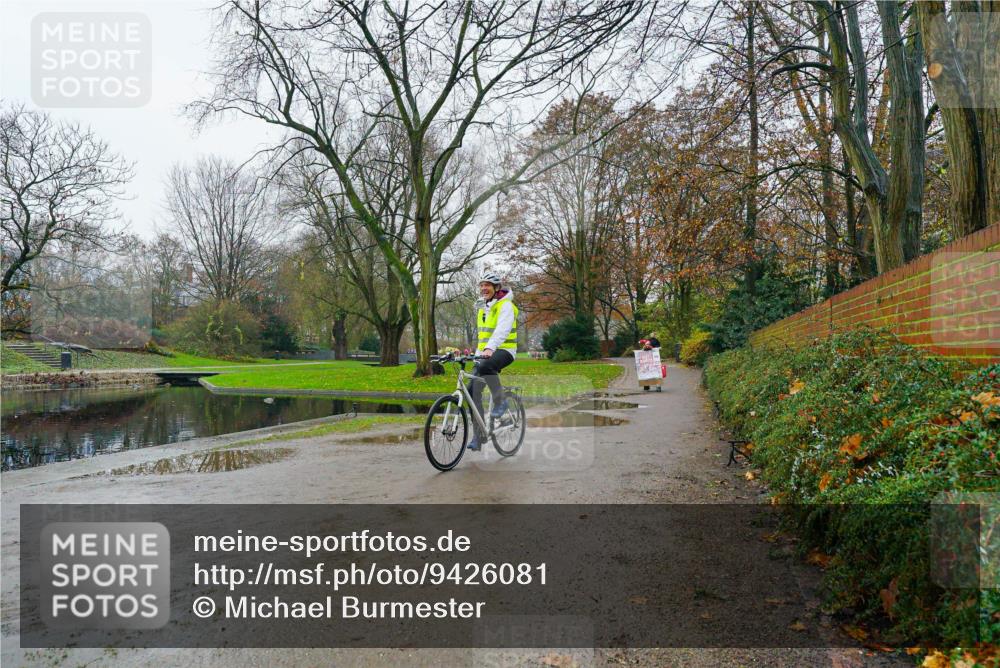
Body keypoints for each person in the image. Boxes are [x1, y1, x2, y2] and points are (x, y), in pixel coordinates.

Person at [467, 271, 518, 451]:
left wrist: (490, 349)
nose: (483, 288)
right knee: (471, 391)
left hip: (505, 350)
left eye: (487, 285)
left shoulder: (506, 306)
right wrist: (476, 355)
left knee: (487, 365)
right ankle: (478, 436)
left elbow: (501, 331)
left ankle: (501, 403)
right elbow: (483, 337)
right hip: (485, 352)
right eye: (481, 285)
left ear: (496, 288)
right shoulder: (482, 308)